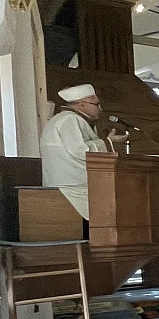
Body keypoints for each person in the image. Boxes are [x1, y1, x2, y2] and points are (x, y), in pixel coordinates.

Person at [38, 83, 128, 219]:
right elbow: (81, 151)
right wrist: (108, 142)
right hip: (73, 186)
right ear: (81, 104)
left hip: (72, 183)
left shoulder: (71, 119)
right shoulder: (70, 120)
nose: (100, 108)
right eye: (96, 104)